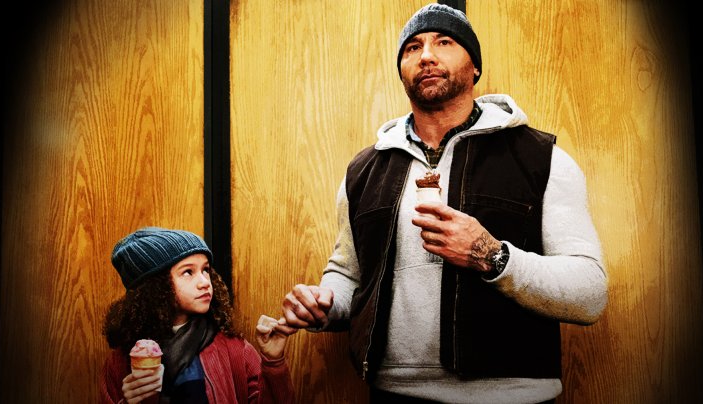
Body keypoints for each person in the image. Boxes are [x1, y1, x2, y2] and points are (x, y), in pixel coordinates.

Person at [279, 3, 607, 403]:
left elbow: (590, 295)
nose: (427, 56)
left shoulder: (543, 159)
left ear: (475, 67)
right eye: (412, 47)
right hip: (392, 393)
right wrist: (323, 305)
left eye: (445, 42)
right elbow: (348, 276)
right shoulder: (362, 171)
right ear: (402, 70)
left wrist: (492, 256)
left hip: (513, 396)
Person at [100, 227, 296, 404]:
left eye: (205, 270)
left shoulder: (234, 349)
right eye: (188, 272)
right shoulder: (121, 362)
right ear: (155, 285)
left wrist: (273, 361)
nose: (204, 282)